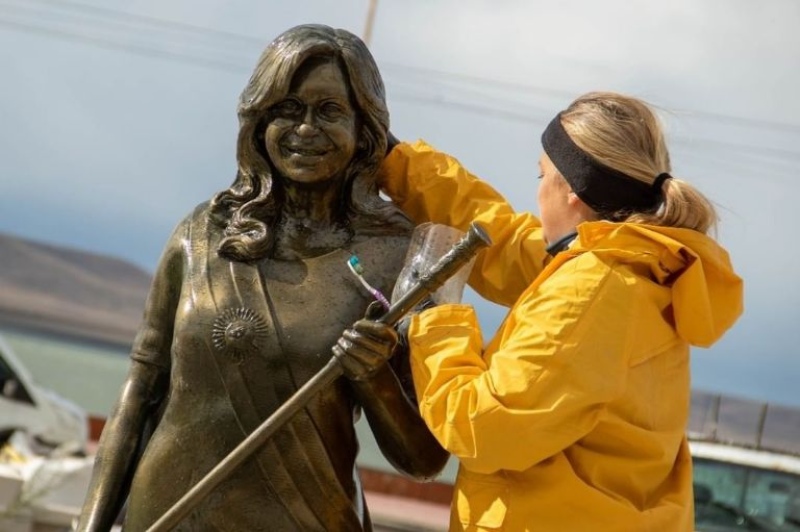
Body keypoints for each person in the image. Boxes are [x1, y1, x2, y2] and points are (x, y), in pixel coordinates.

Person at [76, 24, 447, 532]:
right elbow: (140, 390)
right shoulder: (202, 233)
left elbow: (424, 461)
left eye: (329, 111)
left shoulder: (399, 257)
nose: (305, 130)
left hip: (306, 516)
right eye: (287, 110)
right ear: (258, 121)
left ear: (366, 129)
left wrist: (375, 376)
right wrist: (90, 524)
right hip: (167, 515)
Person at [335, 92, 744, 530]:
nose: (538, 190)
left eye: (541, 175)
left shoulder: (593, 289)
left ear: (571, 189)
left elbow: (484, 426)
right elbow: (505, 244)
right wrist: (396, 163)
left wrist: (435, 316)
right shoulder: (634, 266)